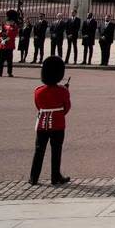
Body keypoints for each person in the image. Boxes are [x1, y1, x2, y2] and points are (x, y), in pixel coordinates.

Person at [30, 55, 71, 186]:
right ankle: (55, 177)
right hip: (58, 124)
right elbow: (66, 107)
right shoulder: (63, 91)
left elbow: (38, 106)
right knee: (56, 151)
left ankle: (34, 178)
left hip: (42, 124)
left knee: (39, 150)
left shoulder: (38, 91)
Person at [0, 9, 19, 77]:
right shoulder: (4, 26)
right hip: (3, 45)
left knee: (9, 61)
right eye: (10, 21)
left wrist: (5, 40)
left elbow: (12, 35)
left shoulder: (15, 27)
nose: (10, 22)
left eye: (11, 21)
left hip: (9, 46)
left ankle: (9, 73)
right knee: (1, 60)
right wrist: (1, 40)